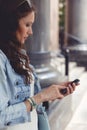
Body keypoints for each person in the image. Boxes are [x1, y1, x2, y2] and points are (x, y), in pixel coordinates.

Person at [0, 0, 79, 130]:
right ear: (11, 25)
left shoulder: (19, 55)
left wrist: (52, 92)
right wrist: (42, 96)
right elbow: (1, 117)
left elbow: (26, 98)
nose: (31, 31)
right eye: (27, 24)